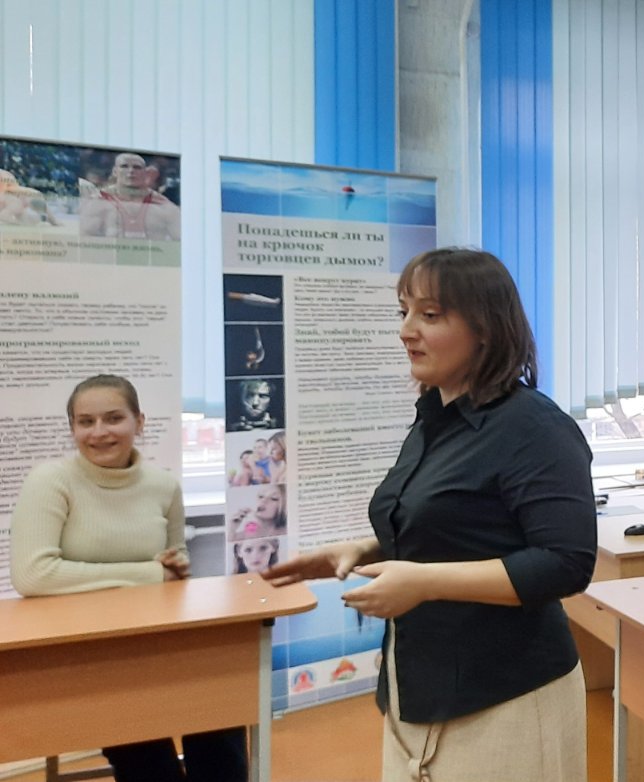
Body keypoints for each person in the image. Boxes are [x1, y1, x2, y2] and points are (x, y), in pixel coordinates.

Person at [264, 248, 597, 781]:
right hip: (418, 685)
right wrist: (364, 549)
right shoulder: (433, 418)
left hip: (506, 695)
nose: (406, 331)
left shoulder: (535, 428)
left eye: (430, 314)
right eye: (404, 312)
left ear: (485, 328)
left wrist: (422, 582)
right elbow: (460, 529)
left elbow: (564, 563)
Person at [8, 375, 247, 782]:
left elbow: (176, 567)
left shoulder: (163, 485)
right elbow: (33, 575)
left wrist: (174, 569)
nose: (99, 432)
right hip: (85, 653)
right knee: (143, 749)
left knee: (219, 713)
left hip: (155, 642)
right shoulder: (50, 481)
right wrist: (150, 573)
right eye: (85, 422)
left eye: (113, 418)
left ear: (140, 421)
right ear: (72, 428)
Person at [79, 152, 180, 240]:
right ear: (115, 171)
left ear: (145, 173)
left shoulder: (163, 205)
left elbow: (182, 241)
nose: (131, 171)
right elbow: (86, 240)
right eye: (124, 166)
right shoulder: (98, 201)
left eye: (137, 167)